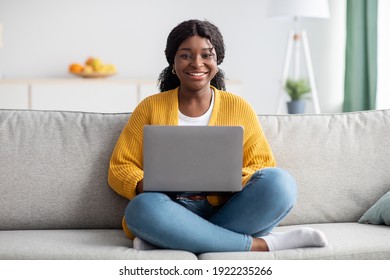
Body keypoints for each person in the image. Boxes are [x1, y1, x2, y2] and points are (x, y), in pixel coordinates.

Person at [108, 19, 327, 253]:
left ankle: (170, 237)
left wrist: (232, 183)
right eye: (186, 55)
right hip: (172, 208)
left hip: (229, 208)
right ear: (173, 61)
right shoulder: (150, 107)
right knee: (141, 208)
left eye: (206, 55)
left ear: (217, 61)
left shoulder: (239, 107)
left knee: (281, 183)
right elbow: (121, 166)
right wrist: (148, 185)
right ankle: (259, 244)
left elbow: (261, 164)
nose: (197, 63)